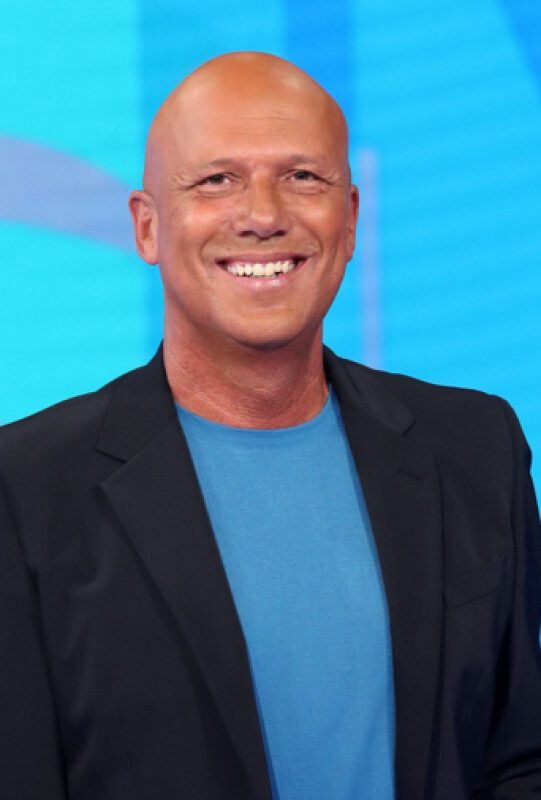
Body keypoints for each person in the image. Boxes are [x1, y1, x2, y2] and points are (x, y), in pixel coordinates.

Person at [0, 51, 540, 800]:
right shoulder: (25, 489)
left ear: (350, 219)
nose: (262, 214)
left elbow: (519, 760)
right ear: (147, 228)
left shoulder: (476, 448)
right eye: (216, 180)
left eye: (303, 177)